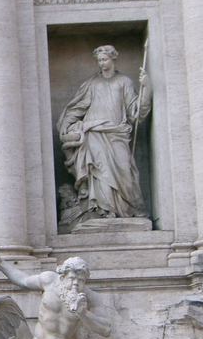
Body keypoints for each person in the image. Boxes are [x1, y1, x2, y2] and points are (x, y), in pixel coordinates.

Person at [57, 45, 151, 219]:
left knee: (125, 172)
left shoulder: (124, 82)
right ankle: (104, 210)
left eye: (105, 59)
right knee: (99, 172)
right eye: (99, 60)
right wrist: (67, 125)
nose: (102, 63)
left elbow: (135, 112)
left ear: (113, 59)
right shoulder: (92, 84)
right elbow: (76, 108)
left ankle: (128, 210)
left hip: (117, 133)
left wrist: (146, 89)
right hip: (94, 133)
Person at [0, 254, 111, 339]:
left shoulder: (90, 297)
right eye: (72, 278)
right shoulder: (49, 281)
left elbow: (106, 329)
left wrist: (83, 313)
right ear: (63, 276)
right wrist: (0, 263)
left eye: (81, 280)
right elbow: (23, 280)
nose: (75, 284)